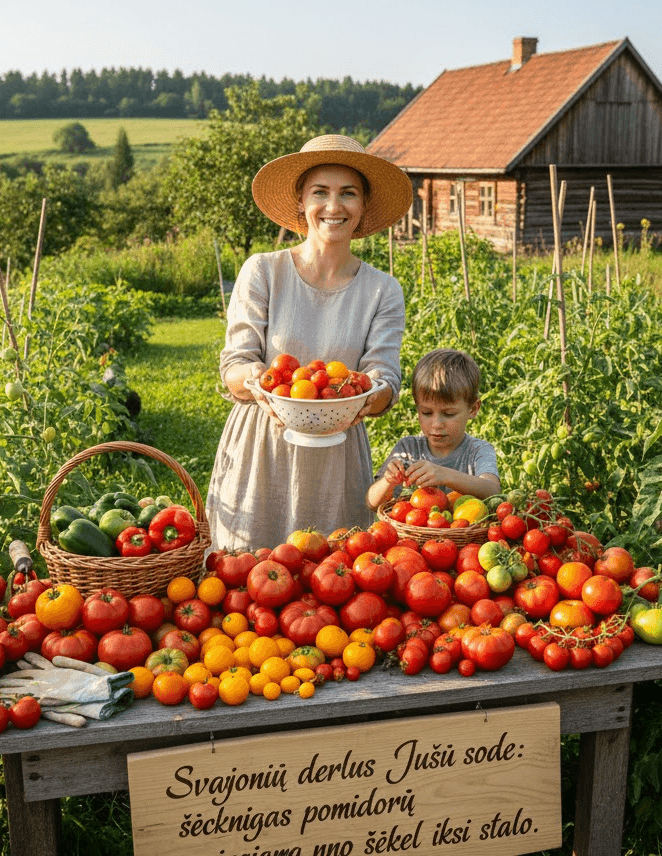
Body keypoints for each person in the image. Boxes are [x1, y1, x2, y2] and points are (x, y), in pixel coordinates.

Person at [206, 134, 413, 551]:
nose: (334, 206)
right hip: (262, 451)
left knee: (334, 572)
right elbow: (234, 365)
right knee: (247, 574)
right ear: (301, 202)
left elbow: (385, 377)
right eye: (320, 192)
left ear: (363, 206)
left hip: (337, 460)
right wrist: (258, 381)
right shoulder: (263, 271)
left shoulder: (382, 290)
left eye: (348, 193)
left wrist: (366, 397)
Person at [366, 348, 500, 510]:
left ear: (473, 409)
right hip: (416, 527)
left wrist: (445, 475)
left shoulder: (478, 450)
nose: (436, 424)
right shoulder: (408, 449)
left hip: (465, 525)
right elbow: (372, 503)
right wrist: (388, 481)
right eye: (426, 412)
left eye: (449, 414)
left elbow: (492, 490)